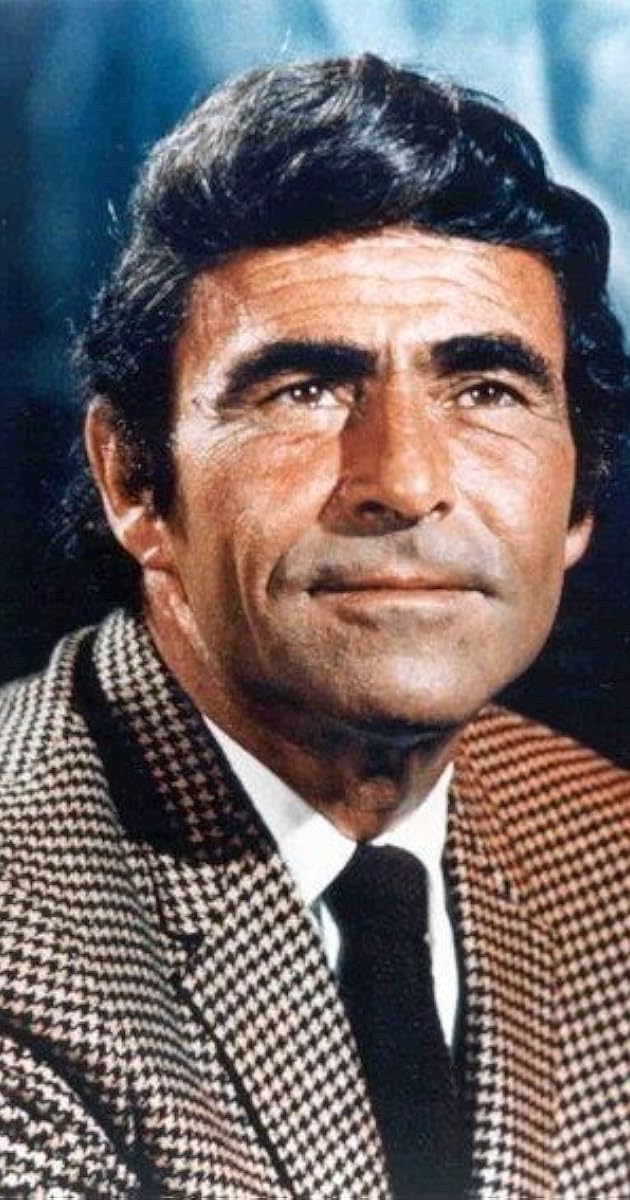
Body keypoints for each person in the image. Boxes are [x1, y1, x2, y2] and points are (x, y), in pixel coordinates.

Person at [0, 54, 628, 1198]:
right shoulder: (22, 918)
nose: (406, 482)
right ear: (134, 481)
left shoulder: (603, 847)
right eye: (305, 390)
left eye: (486, 391)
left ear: (580, 497)